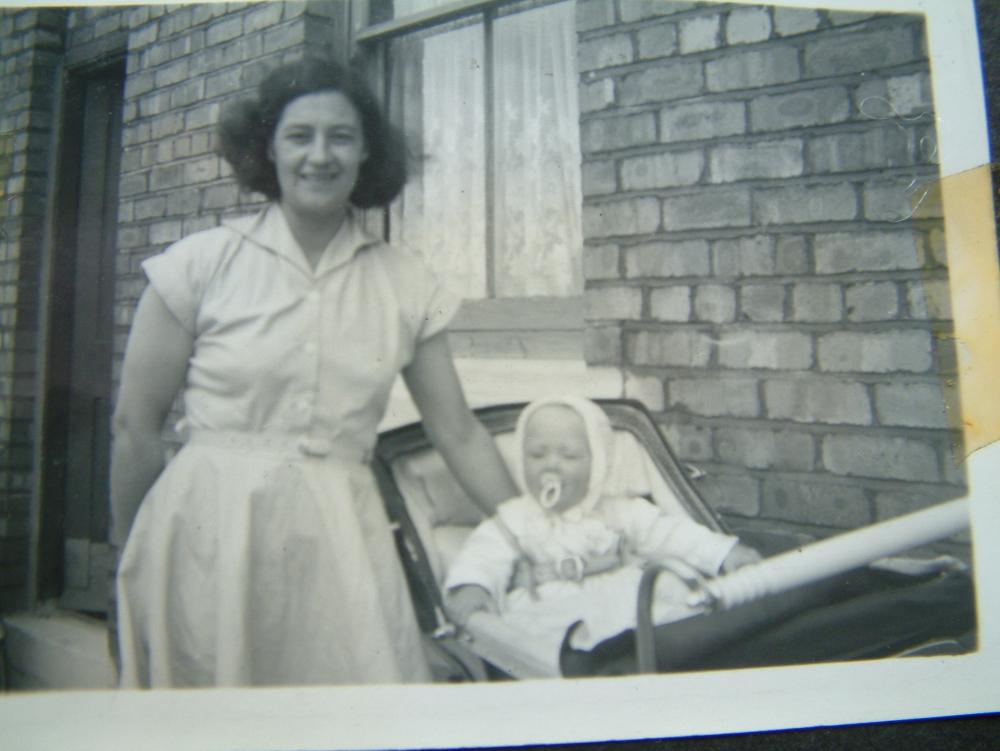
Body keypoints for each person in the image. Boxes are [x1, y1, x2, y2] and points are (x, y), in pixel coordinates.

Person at [110, 58, 518, 688]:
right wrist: (129, 566)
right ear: (267, 149)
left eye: (341, 137)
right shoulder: (198, 266)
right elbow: (134, 428)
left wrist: (537, 531)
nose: (319, 156)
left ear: (366, 155)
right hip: (208, 540)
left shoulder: (407, 285)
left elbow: (459, 432)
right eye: (300, 136)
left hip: (341, 545)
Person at [444, 396, 761, 663]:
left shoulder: (619, 510)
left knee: (675, 614)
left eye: (569, 455)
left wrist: (723, 553)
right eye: (536, 454)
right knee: (544, 643)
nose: (550, 464)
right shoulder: (513, 519)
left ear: (598, 464)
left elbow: (671, 534)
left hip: (623, 596)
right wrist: (473, 586)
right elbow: (483, 555)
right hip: (551, 607)